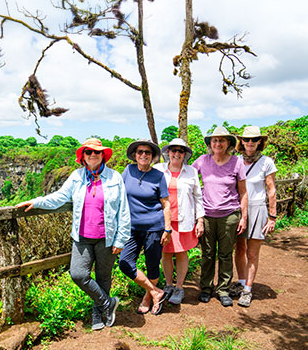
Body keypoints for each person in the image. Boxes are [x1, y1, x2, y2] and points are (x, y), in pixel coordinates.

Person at [16, 138, 131, 330]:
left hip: (107, 237)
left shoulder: (114, 177)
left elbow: (124, 210)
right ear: (83, 156)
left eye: (97, 152)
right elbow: (60, 197)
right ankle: (108, 303)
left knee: (103, 277)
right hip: (82, 237)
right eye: (88, 152)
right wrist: (36, 202)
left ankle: (97, 313)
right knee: (78, 274)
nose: (92, 155)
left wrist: (121, 239)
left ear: (103, 155)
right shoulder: (77, 176)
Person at [192, 126, 248, 307]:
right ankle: (206, 288)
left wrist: (243, 217)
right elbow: (188, 179)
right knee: (207, 254)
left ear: (229, 143)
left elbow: (243, 192)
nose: (218, 143)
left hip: (229, 214)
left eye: (222, 140)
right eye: (215, 140)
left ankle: (223, 289)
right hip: (207, 215)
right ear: (210, 144)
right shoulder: (202, 161)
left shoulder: (237, 162)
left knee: (225, 254)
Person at [119, 139, 171, 315]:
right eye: (140, 152)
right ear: (135, 154)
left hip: (154, 227)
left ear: (152, 156)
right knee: (125, 263)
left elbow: (166, 204)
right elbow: (117, 193)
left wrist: (167, 229)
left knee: (152, 264)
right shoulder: (128, 170)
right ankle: (156, 291)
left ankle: (148, 298)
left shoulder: (158, 176)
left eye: (147, 153)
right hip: (131, 228)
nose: (143, 155)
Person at [154, 138, 205, 305]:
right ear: (167, 152)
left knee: (182, 253)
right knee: (166, 253)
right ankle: (168, 284)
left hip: (184, 219)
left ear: (185, 155)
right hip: (163, 220)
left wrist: (200, 220)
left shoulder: (191, 172)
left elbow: (198, 197)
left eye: (180, 151)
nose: (176, 154)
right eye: (173, 150)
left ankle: (179, 287)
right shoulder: (158, 170)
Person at [232, 126, 277, 307]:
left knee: (252, 252)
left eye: (254, 140)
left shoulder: (266, 162)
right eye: (246, 139)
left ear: (260, 141)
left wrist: (272, 217)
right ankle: (242, 282)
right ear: (241, 141)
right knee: (240, 249)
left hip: (258, 207)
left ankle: (248, 289)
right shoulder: (236, 161)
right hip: (238, 208)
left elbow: (271, 189)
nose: (250, 143)